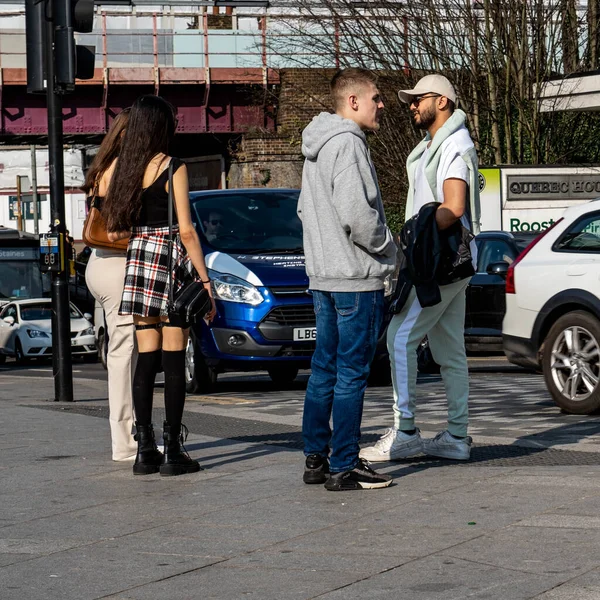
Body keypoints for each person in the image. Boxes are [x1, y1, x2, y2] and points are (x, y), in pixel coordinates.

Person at [361, 74, 481, 463]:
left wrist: (416, 231)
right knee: (450, 350)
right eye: (409, 101)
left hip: (438, 262)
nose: (412, 105)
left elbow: (454, 205)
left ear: (442, 101)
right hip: (451, 261)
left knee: (399, 337)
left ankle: (406, 431)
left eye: (419, 99)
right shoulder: (434, 145)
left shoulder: (453, 144)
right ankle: (457, 437)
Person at [103, 95, 216, 477]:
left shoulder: (121, 169)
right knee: (173, 358)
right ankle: (173, 450)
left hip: (139, 259)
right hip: (168, 259)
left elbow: (113, 224)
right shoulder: (172, 166)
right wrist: (205, 280)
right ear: (161, 127)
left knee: (144, 358)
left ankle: (144, 449)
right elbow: (186, 230)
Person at [298, 68, 397, 491]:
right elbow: (359, 217)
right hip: (355, 277)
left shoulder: (316, 147)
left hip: (323, 277)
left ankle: (316, 459)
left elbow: (305, 210)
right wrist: (391, 251)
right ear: (353, 101)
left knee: (323, 369)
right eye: (375, 97)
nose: (381, 105)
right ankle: (344, 465)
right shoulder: (348, 145)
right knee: (352, 373)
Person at [83, 108, 138, 462]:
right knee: (123, 354)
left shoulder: (103, 165)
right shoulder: (121, 168)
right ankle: (125, 443)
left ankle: (132, 434)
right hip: (116, 264)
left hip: (100, 263)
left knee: (125, 352)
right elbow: (118, 229)